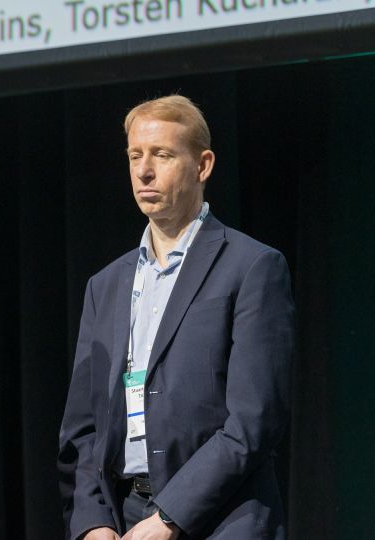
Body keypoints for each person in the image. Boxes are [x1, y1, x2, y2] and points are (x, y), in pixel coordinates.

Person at [58, 95, 295, 539]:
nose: (144, 171)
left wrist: (170, 516)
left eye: (162, 155)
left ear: (203, 166)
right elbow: (83, 428)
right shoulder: (104, 285)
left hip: (221, 520)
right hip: (124, 519)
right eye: (135, 156)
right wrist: (92, 522)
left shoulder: (252, 267)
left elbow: (254, 420)